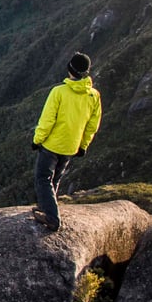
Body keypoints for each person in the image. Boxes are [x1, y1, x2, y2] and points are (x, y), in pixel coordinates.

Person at [30, 52, 102, 231]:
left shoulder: (59, 92)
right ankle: (47, 206)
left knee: (43, 178)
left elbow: (47, 121)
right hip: (71, 146)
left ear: (70, 69)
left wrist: (37, 140)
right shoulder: (94, 96)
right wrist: (83, 145)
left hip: (52, 145)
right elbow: (92, 125)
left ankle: (52, 218)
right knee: (55, 178)